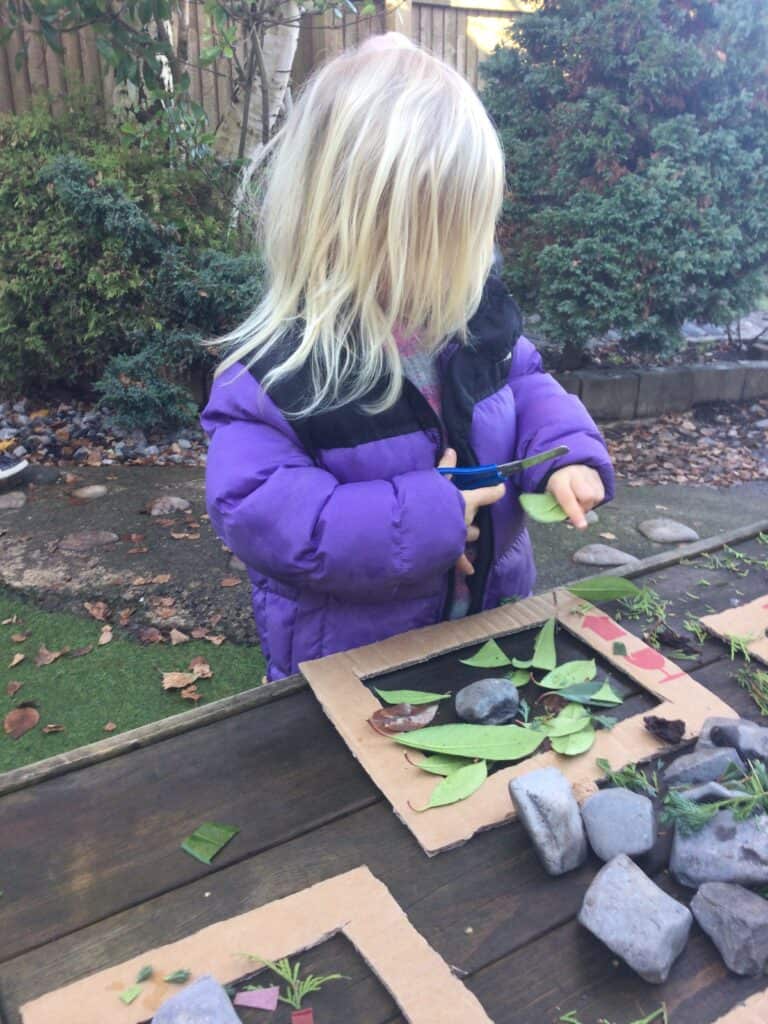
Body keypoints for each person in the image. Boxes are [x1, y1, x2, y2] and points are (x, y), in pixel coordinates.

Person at [202, 36, 615, 681]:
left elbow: (528, 385)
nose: (464, 261)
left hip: (489, 626)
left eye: (469, 232)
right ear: (343, 229)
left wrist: (565, 455)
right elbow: (266, 517)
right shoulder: (278, 376)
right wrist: (430, 517)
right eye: (438, 237)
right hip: (358, 669)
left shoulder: (472, 322)